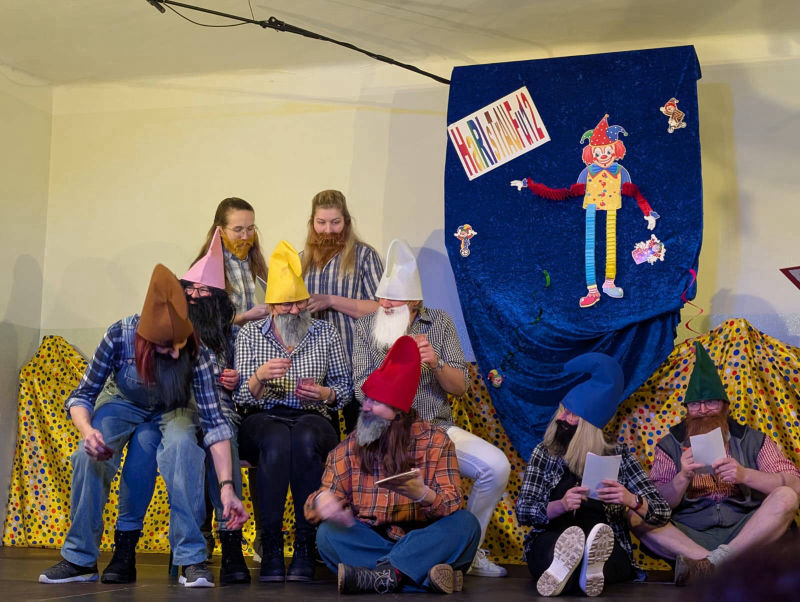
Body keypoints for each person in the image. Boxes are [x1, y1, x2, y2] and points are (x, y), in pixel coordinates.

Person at [38, 264, 248, 588]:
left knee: (182, 448)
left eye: (178, 346)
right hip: (124, 401)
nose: (174, 353)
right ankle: (80, 559)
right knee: (86, 457)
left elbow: (215, 425)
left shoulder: (199, 351)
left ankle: (191, 559)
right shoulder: (119, 335)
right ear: (144, 339)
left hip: (176, 407)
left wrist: (227, 487)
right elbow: (82, 395)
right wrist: (88, 432)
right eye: (165, 348)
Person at [352, 239, 511, 578]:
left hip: (438, 429)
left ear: (414, 302)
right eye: (382, 299)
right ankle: (395, 559)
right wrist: (397, 363)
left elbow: (460, 387)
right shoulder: (366, 327)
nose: (384, 305)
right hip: (384, 433)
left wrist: (436, 364)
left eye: (393, 301)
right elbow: (359, 389)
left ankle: (467, 553)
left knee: (496, 466)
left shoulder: (439, 323)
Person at [305, 335, 481, 595]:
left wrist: (424, 494)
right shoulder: (350, 447)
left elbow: (453, 503)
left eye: (375, 403)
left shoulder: (435, 441)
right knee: (327, 534)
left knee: (466, 525)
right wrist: (321, 502)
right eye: (367, 399)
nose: (366, 408)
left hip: (423, 538)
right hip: (373, 538)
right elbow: (314, 509)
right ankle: (418, 577)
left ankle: (378, 577)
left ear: (399, 413)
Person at [631, 341, 800, 586]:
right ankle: (715, 563)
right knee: (635, 512)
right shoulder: (670, 444)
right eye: (695, 404)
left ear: (725, 407)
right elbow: (655, 504)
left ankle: (709, 565)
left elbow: (794, 485)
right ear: (687, 409)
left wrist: (745, 475)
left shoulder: (752, 439)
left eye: (711, 402)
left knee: (786, 496)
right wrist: (682, 478)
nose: (703, 410)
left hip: (746, 532)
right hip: (689, 536)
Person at [234, 240, 354, 583]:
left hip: (313, 418)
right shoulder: (250, 335)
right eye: (286, 304)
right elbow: (241, 396)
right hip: (263, 418)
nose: (295, 310)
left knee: (303, 436)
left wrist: (325, 393)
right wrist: (259, 377)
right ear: (272, 306)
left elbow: (345, 389)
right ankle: (271, 547)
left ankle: (305, 544)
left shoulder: (324, 332)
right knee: (275, 439)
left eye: (300, 302)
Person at [515, 353, 671, 597]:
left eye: (571, 414)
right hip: (554, 538)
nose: (561, 418)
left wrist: (631, 500)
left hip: (604, 542)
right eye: (562, 411)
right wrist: (560, 505)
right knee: (553, 551)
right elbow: (524, 511)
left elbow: (662, 512)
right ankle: (577, 569)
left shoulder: (619, 456)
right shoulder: (545, 452)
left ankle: (581, 569)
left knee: (600, 557)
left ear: (588, 426)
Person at [301, 189, 383, 431]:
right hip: (316, 373)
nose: (328, 230)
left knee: (365, 442)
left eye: (335, 222)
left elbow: (381, 309)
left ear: (346, 222)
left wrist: (331, 300)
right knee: (323, 443)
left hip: (358, 369)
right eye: (321, 222)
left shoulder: (365, 256)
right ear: (312, 223)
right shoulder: (299, 261)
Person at [194, 197, 269, 326]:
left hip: (257, 339)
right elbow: (202, 322)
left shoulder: (258, 264)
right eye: (238, 230)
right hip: (225, 339)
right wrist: (242, 318)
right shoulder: (205, 269)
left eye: (250, 228)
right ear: (220, 230)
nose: (245, 236)